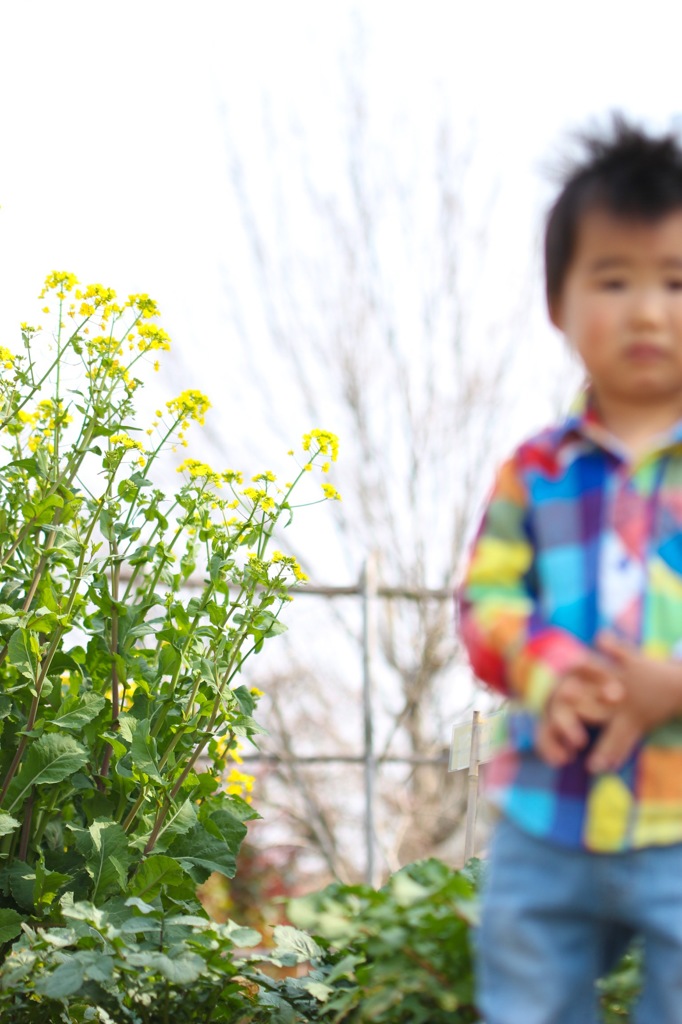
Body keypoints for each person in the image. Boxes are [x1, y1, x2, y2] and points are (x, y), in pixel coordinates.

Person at [458, 116, 682, 1024]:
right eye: (613, 279)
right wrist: (551, 673)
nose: (645, 310)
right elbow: (488, 602)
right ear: (559, 303)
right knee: (528, 997)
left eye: (675, 281)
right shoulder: (534, 472)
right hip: (548, 816)